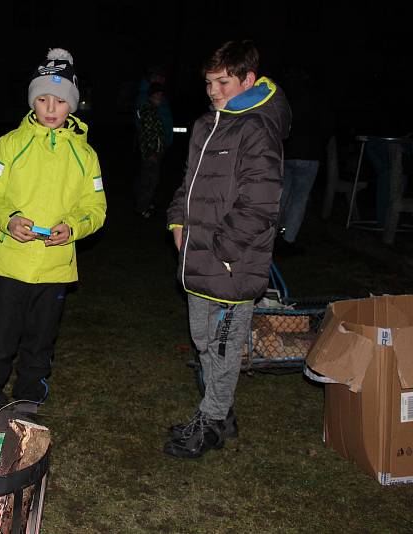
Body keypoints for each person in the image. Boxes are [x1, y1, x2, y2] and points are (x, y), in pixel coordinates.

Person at [164, 40, 291, 458]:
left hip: (230, 262)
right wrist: (178, 220)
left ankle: (212, 422)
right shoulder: (206, 125)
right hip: (197, 256)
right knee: (202, 339)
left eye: (223, 81)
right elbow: (190, 183)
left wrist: (224, 247)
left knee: (222, 343)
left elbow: (261, 202)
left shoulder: (256, 129)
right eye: (208, 82)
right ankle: (221, 410)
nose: (213, 90)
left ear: (248, 80)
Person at [0, 48, 107, 411]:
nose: (49, 108)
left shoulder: (85, 155)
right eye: (42, 98)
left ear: (72, 105)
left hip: (55, 266)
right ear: (32, 100)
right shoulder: (9, 145)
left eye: (59, 101)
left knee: (41, 339)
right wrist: (8, 218)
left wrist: (73, 227)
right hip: (11, 263)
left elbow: (96, 208)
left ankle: (29, 398)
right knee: (0, 339)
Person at [275, 68, 328, 255]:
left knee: (283, 195)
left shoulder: (288, 99)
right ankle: (287, 240)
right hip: (309, 155)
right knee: (299, 198)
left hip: (289, 153)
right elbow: (325, 127)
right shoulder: (319, 100)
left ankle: (273, 236)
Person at [135, 83, 168, 218]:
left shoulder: (153, 109)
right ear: (153, 95)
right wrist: (151, 153)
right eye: (158, 94)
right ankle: (141, 208)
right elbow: (148, 133)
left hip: (155, 152)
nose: (160, 97)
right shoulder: (148, 110)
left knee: (152, 180)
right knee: (148, 181)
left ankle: (146, 204)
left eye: (161, 94)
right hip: (151, 153)